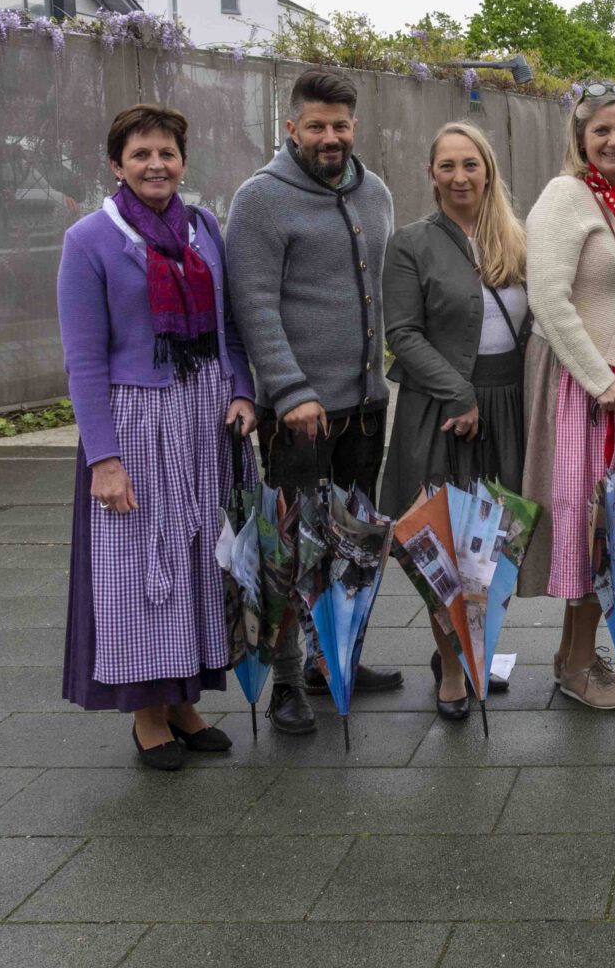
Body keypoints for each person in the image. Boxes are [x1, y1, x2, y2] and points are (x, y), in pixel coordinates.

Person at [58, 104, 256, 771]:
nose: (155, 164)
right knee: (146, 566)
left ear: (183, 161)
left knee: (202, 556)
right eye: (140, 154)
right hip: (136, 420)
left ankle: (185, 700)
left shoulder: (203, 230)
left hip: (204, 416)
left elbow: (228, 326)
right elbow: (84, 359)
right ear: (116, 165)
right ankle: (148, 713)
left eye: (167, 153)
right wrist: (104, 459)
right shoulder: (90, 239)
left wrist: (241, 390)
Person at [227, 68, 403, 736]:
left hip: (364, 407)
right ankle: (286, 679)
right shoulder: (261, 200)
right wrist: (291, 389)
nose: (330, 137)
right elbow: (253, 304)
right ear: (291, 128)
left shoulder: (376, 192)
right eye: (317, 126)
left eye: (341, 125)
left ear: (353, 127)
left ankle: (334, 664)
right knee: (289, 552)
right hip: (298, 414)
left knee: (351, 546)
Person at [523, 83, 615, 709]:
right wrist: (602, 378)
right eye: (601, 131)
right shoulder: (564, 197)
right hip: (585, 385)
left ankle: (573, 656)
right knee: (591, 522)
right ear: (580, 139)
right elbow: (549, 301)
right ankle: (578, 663)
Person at [380, 121, 530, 720]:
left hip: (509, 405)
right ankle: (448, 663)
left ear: (488, 169)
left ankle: (478, 647)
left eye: (471, 164)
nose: (460, 176)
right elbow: (402, 334)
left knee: (495, 543)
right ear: (432, 174)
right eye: (448, 166)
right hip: (443, 410)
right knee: (439, 541)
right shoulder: (410, 244)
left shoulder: (516, 239)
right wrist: (458, 394)